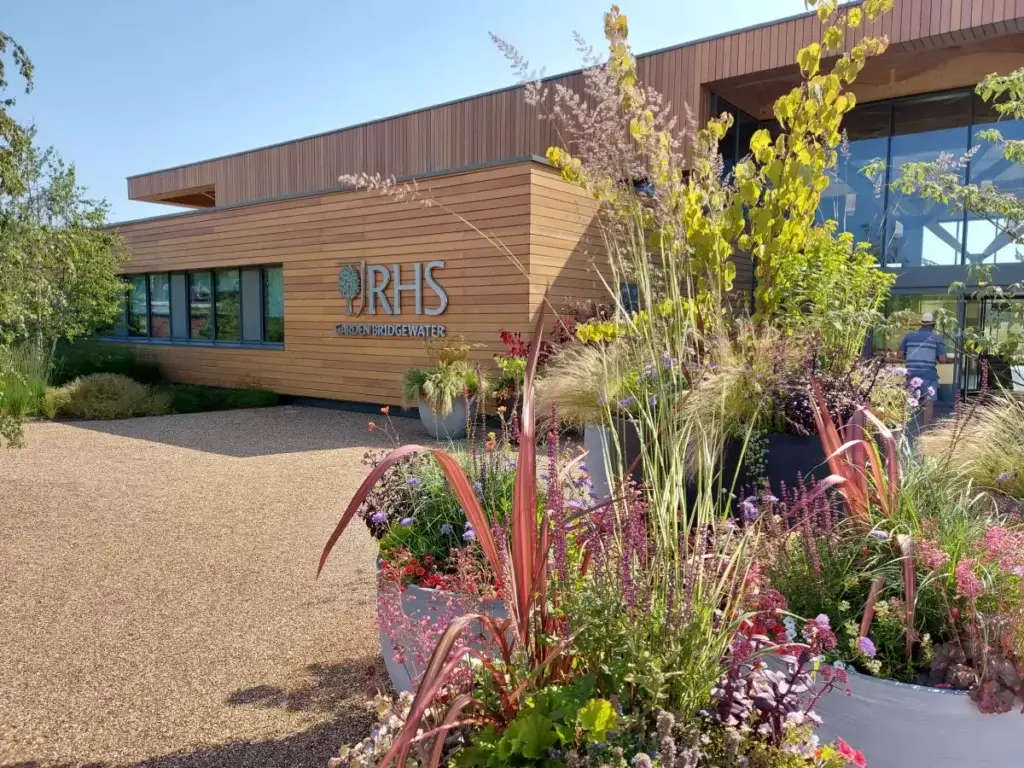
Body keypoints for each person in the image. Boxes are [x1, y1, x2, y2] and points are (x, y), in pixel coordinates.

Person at [898, 312, 948, 426]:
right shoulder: (937, 338)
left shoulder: (909, 336)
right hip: (929, 375)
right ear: (933, 325)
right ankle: (925, 431)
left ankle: (906, 427)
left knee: (909, 401)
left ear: (922, 324)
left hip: (911, 375)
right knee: (929, 403)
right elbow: (943, 359)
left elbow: (899, 355)